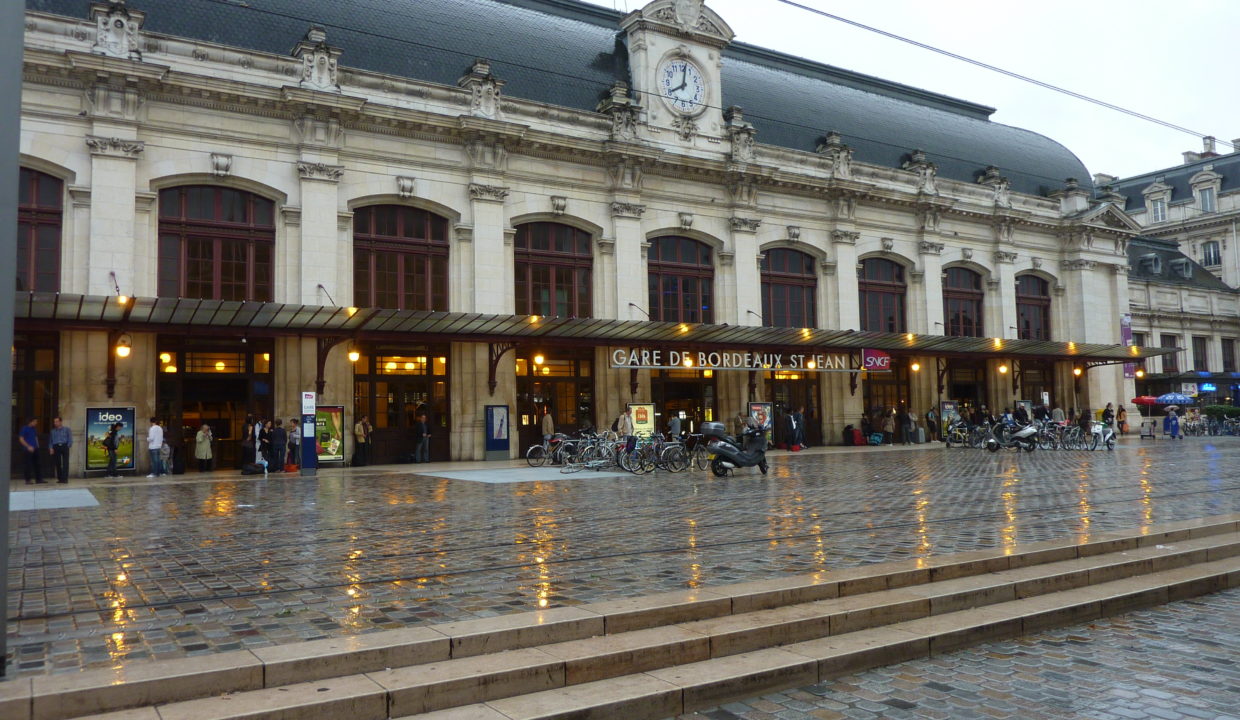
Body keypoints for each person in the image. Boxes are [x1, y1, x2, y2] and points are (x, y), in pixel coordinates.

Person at [19, 417, 45, 485]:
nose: (36, 423)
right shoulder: (24, 428)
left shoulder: (34, 429)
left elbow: (35, 437)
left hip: (35, 448)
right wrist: (28, 446)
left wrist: (38, 446)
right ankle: (28, 480)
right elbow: (21, 439)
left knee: (38, 464)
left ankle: (39, 479)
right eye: (35, 422)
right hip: (27, 449)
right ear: (31, 422)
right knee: (28, 464)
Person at [50, 416, 72, 483]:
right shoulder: (52, 431)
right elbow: (50, 440)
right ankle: (60, 479)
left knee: (65, 463)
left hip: (64, 446)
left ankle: (65, 479)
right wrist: (51, 448)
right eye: (54, 422)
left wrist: (68, 445)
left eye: (57, 421)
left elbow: (70, 438)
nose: (55, 423)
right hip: (56, 446)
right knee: (58, 463)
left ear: (60, 422)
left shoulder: (67, 429)